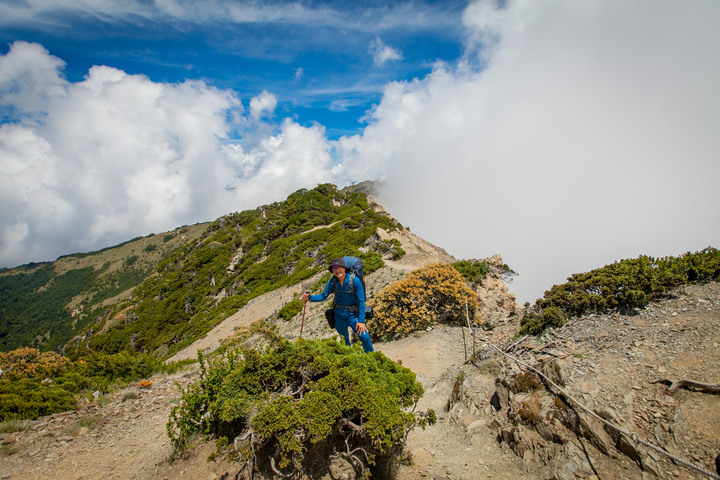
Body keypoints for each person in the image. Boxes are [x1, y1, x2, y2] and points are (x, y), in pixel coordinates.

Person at [302, 258, 374, 353]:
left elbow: (361, 301)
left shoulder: (355, 280)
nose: (337, 271)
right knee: (345, 340)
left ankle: (372, 357)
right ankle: (349, 358)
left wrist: (361, 321)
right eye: (334, 268)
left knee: (364, 336)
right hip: (338, 316)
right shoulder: (333, 282)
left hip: (353, 315)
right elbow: (323, 296)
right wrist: (310, 298)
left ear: (344, 268)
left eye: (339, 267)